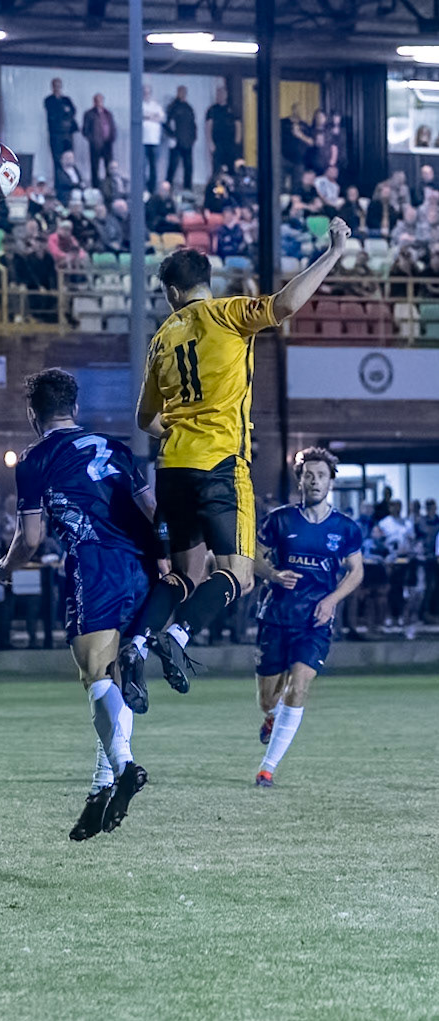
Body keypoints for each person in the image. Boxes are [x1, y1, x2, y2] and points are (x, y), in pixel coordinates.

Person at [122, 219, 353, 707]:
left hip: (171, 469)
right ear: (206, 282)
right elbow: (286, 305)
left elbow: (146, 419)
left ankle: (137, 644)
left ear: (170, 292)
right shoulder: (227, 314)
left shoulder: (161, 337)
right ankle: (177, 638)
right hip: (221, 465)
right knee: (239, 576)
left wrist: (181, 430)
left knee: (184, 575)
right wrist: (332, 254)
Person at [0, 369, 161, 840]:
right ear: (75, 408)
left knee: (96, 675)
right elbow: (153, 512)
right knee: (119, 676)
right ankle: (100, 787)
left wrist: (5, 568)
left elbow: (30, 538)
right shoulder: (118, 448)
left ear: (33, 413)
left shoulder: (34, 458)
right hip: (144, 566)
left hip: (95, 563)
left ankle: (124, 768)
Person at [251, 448, 365, 788]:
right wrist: (271, 573)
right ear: (300, 480)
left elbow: (356, 571)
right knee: (268, 699)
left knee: (299, 687)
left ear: (331, 482)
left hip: (314, 622)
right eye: (309, 475)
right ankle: (272, 716)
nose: (315, 481)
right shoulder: (280, 520)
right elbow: (253, 556)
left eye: (321, 476)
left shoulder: (345, 528)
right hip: (276, 617)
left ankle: (266, 769)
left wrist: (331, 600)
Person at [44, 78, 78, 179]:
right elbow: (54, 114)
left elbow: (72, 112)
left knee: (69, 158)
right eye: (55, 85)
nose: (57, 88)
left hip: (67, 134)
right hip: (56, 134)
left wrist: (65, 113)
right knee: (57, 159)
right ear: (52, 87)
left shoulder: (66, 100)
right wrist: (64, 112)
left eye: (59, 85)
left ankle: (71, 181)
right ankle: (59, 183)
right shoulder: (49, 100)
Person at [164, 86, 197, 191]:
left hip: (188, 142)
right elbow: (166, 123)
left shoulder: (188, 107)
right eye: (180, 92)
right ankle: (167, 189)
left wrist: (193, 138)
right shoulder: (173, 107)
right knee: (172, 167)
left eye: (184, 92)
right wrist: (172, 136)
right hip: (176, 142)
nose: (182, 94)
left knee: (188, 167)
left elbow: (193, 124)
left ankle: (188, 190)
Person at [81, 94, 115, 185]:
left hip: (107, 144)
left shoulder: (108, 113)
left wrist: (112, 137)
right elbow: (85, 130)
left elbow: (112, 126)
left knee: (109, 167)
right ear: (94, 101)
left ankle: (109, 187)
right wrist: (92, 140)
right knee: (95, 167)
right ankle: (95, 187)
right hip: (95, 145)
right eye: (97, 100)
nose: (99, 102)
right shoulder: (89, 114)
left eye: (100, 100)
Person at [205, 86, 240, 174]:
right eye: (218, 94)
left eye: (222, 94)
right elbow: (208, 126)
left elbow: (238, 125)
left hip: (230, 143)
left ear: (226, 95)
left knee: (231, 167)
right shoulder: (212, 110)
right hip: (217, 143)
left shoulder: (232, 109)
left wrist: (237, 140)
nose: (220, 96)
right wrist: (210, 143)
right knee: (217, 168)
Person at [140, 84, 165, 192]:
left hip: (154, 141)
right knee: (142, 167)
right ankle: (142, 189)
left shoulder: (156, 106)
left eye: (148, 92)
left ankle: (152, 189)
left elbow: (162, 118)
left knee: (153, 167)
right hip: (142, 141)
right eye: (144, 92)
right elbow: (139, 116)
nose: (146, 94)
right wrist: (152, 116)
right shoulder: (139, 104)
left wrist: (148, 116)